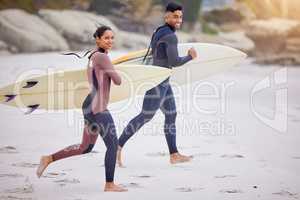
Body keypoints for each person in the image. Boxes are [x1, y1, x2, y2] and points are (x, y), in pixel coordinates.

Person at [36, 26, 127, 192]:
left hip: (89, 106)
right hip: (98, 108)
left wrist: (110, 68)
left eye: (112, 38)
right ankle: (109, 184)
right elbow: (118, 80)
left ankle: (48, 158)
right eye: (106, 38)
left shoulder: (93, 55)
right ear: (97, 39)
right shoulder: (102, 57)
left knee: (85, 147)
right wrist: (114, 70)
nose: (110, 41)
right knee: (113, 145)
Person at [117, 2, 197, 167]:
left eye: (180, 16)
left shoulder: (159, 31)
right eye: (175, 16)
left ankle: (174, 154)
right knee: (145, 116)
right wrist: (190, 56)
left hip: (162, 80)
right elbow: (174, 61)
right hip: (158, 81)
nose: (178, 19)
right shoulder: (170, 36)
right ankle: (116, 147)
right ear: (166, 16)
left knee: (171, 114)